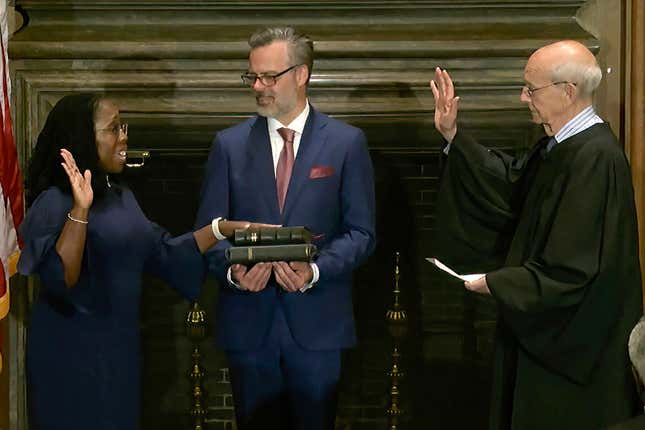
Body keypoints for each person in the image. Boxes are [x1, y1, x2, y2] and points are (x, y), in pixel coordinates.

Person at [430, 40, 643, 429]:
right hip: (546, 342)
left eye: (531, 88)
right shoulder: (560, 146)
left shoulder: (596, 158)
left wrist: (498, 283)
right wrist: (453, 136)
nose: (522, 97)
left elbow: (573, 268)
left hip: (573, 355)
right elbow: (511, 184)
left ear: (567, 91)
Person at [18, 94, 262, 430]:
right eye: (113, 128)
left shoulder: (123, 198)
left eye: (124, 125)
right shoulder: (53, 202)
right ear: (83, 139)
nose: (124, 136)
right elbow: (61, 278)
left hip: (119, 353)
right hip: (70, 355)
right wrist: (81, 209)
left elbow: (165, 253)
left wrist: (220, 230)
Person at [195, 26, 376, 429]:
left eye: (269, 77)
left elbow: (361, 233)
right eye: (252, 77)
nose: (259, 86)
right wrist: (234, 273)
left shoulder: (347, 144)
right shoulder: (228, 145)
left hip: (319, 328)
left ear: (302, 74)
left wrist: (315, 270)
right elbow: (209, 235)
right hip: (249, 328)